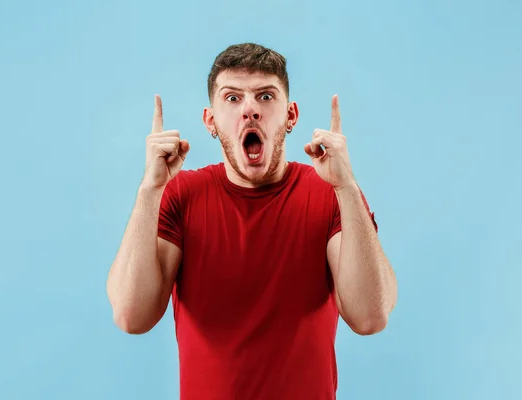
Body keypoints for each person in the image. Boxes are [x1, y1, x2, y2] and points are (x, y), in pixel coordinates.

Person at [106, 43, 398, 400]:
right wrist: (149, 190)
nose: (250, 111)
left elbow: (371, 316)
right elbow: (130, 316)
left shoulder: (331, 194)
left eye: (265, 96)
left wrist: (347, 186)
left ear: (290, 115)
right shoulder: (180, 195)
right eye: (232, 98)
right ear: (210, 121)